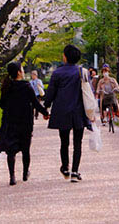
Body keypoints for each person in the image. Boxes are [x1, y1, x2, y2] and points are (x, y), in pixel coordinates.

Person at [0, 61, 49, 185]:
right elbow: (35, 103)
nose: (24, 72)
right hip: (25, 122)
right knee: (25, 149)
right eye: (22, 69)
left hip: (10, 122)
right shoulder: (26, 86)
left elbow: (2, 105)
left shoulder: (6, 86)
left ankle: (12, 176)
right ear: (19, 72)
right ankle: (25, 173)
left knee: (11, 151)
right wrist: (45, 113)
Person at [43, 44, 91, 183]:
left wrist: (45, 108)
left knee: (64, 142)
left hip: (62, 111)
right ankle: (75, 172)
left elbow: (51, 93)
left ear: (65, 57)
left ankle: (65, 167)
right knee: (78, 143)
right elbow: (88, 92)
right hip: (79, 112)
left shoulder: (57, 73)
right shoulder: (83, 72)